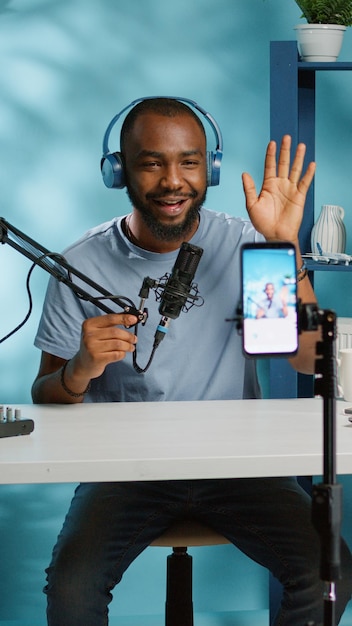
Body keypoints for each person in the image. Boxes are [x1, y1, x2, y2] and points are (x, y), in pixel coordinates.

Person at [32, 97, 352, 626]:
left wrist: (284, 248)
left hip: (240, 467)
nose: (172, 181)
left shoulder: (250, 244)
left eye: (189, 161)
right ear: (120, 171)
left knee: (327, 569)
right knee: (71, 590)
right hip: (124, 471)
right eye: (151, 162)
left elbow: (307, 359)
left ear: (211, 168)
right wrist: (79, 369)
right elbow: (45, 395)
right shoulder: (80, 263)